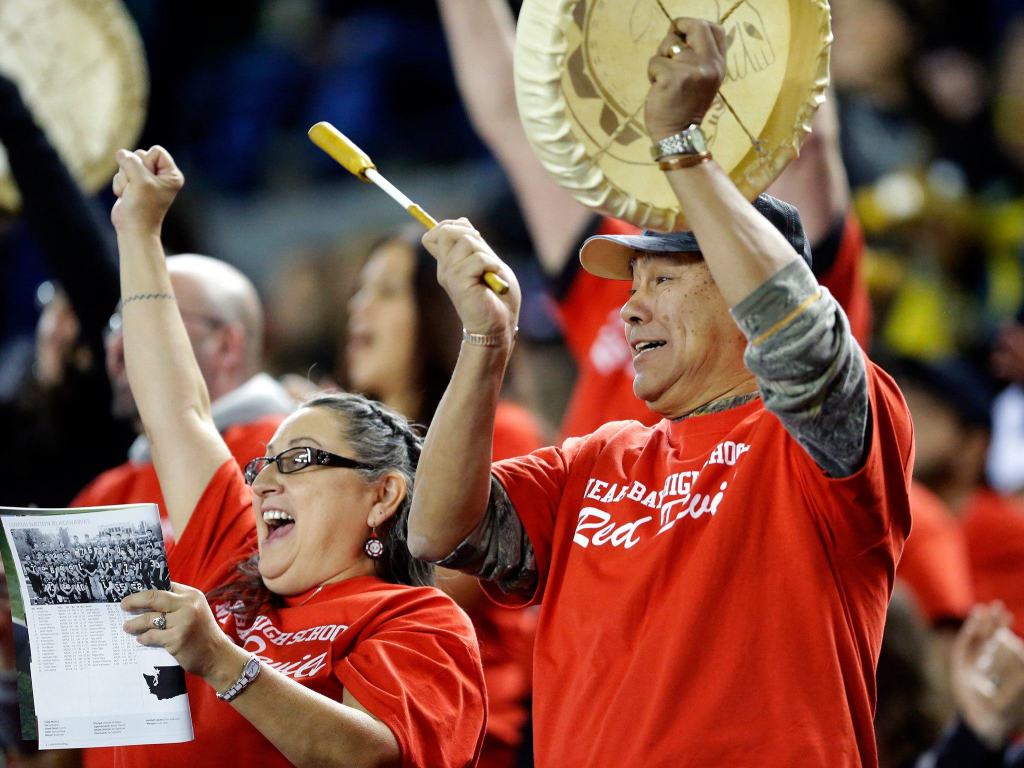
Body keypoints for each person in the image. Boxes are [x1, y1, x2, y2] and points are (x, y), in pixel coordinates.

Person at [409, 18, 914, 768]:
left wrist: (682, 144)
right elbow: (439, 532)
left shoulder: (826, 434)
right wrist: (486, 343)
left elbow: (799, 332)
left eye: (664, 279)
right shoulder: (594, 460)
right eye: (631, 285)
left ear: (738, 289)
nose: (629, 308)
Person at [99, 145, 487, 767]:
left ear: (382, 495)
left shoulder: (414, 619)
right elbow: (178, 410)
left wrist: (224, 661)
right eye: (262, 465)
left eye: (299, 460)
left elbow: (380, 759)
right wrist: (139, 231)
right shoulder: (232, 556)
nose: (264, 483)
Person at [436, 0, 872, 440]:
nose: (630, 309)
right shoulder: (623, 268)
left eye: (664, 282)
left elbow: (801, 143)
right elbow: (516, 117)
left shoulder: (787, 286)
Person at [346, 229, 542, 766]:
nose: (359, 308)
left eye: (386, 292)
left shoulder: (503, 430)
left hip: (466, 735)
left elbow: (451, 585)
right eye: (359, 292)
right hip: (358, 713)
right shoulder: (337, 449)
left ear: (438, 313)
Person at [72, 251, 295, 550]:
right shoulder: (103, 497)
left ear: (226, 346)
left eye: (146, 321)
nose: (118, 345)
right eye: (117, 324)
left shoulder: (291, 460)